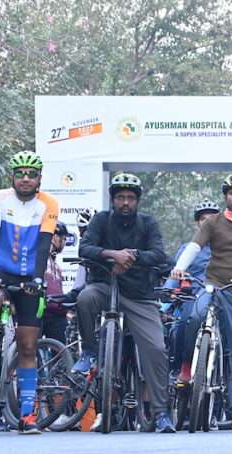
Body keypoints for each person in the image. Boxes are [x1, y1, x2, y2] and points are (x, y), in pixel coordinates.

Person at [0, 151, 58, 435]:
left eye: (31, 174)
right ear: (12, 177)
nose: (26, 178)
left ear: (39, 178)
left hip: (30, 276)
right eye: (20, 173)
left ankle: (27, 416)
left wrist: (39, 279)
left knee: (28, 345)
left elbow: (43, 245)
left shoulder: (49, 204)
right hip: (1, 269)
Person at [170, 172, 232, 432]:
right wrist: (179, 268)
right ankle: (186, 366)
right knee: (193, 316)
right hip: (212, 284)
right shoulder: (213, 222)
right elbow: (194, 246)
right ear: (226, 196)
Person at [75, 172, 174, 433]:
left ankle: (161, 412)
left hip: (139, 295)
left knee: (156, 349)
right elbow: (84, 249)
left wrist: (131, 256)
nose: (125, 203)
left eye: (130, 198)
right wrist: (111, 255)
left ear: (137, 201)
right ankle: (89, 350)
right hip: (104, 287)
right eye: (120, 198)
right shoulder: (100, 220)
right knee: (84, 299)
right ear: (113, 200)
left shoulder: (148, 223)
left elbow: (159, 255)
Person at [167, 201, 217, 382]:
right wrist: (167, 291)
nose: (207, 221)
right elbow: (175, 274)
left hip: (221, 297)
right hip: (193, 296)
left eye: (212, 218)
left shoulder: (228, 247)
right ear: (198, 223)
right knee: (182, 325)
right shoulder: (187, 248)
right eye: (203, 218)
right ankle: (182, 366)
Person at [42, 221, 71, 344]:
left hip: (56, 314)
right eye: (63, 239)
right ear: (54, 237)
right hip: (39, 310)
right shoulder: (40, 257)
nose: (64, 243)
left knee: (61, 353)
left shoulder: (57, 267)